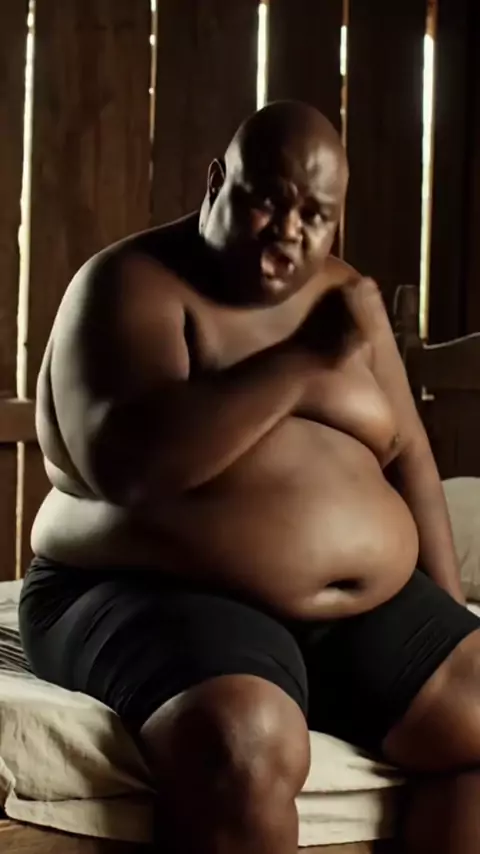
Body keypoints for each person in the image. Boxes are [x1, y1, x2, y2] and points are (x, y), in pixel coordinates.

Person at [19, 100, 480, 854]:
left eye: (314, 215)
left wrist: (450, 627)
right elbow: (131, 467)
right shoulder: (129, 286)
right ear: (216, 183)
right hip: (153, 588)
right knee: (246, 743)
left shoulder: (345, 297)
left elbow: (410, 457)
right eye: (267, 200)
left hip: (351, 612)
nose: (287, 231)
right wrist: (298, 364)